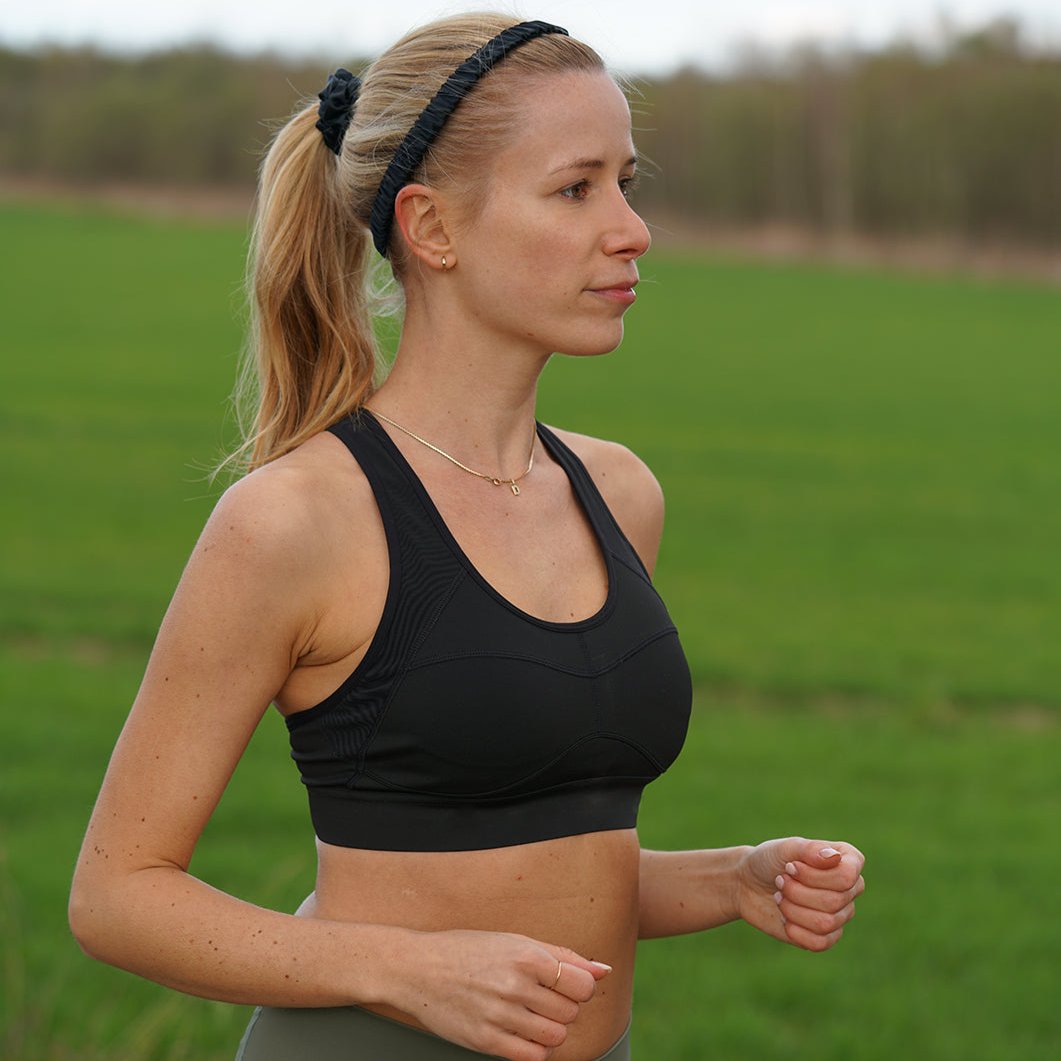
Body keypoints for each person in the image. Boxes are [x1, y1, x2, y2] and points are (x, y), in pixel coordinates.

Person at [68, 13, 866, 1061]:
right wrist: (405, 966)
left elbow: (536, 856)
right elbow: (117, 894)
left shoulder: (616, 494)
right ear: (432, 228)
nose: (630, 229)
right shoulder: (296, 520)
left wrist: (733, 875)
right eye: (576, 188)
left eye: (628, 182)